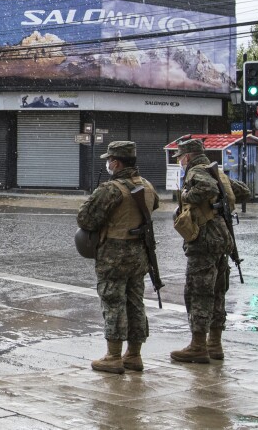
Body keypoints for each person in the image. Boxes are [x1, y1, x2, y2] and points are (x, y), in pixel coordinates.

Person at [77, 141, 159, 374]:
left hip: (114, 255)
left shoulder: (111, 189)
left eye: (109, 160)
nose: (108, 164)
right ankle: (134, 355)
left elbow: (86, 219)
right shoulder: (148, 186)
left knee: (113, 301)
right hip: (139, 255)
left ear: (116, 162)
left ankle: (113, 356)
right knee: (135, 303)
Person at [170, 138, 250, 364]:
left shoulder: (196, 172)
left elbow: (206, 188)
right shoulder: (216, 171)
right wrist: (219, 204)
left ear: (187, 156)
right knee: (217, 291)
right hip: (222, 238)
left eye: (180, 158)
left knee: (198, 291)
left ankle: (198, 346)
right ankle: (214, 344)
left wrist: (186, 196)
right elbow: (243, 191)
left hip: (204, 239)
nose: (180, 163)